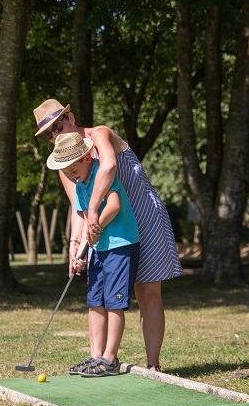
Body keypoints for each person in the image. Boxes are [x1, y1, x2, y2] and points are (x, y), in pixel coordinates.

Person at [33, 99, 182, 372]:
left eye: (57, 125)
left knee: (147, 292)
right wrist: (76, 245)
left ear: (71, 118)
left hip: (142, 215)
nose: (55, 135)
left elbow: (108, 168)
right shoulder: (65, 161)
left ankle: (153, 366)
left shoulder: (99, 134)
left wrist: (93, 212)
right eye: (48, 134)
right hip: (106, 229)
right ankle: (99, 357)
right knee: (99, 296)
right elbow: (77, 207)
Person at [48, 132, 140, 377]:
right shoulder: (80, 184)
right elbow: (85, 216)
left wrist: (96, 227)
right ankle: (95, 355)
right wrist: (80, 252)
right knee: (95, 301)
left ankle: (110, 359)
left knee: (114, 302)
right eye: (65, 170)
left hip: (120, 246)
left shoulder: (101, 173)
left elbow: (113, 205)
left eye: (72, 167)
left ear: (88, 157)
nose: (69, 174)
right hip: (99, 248)